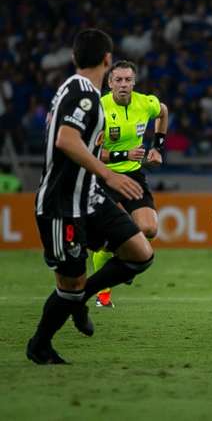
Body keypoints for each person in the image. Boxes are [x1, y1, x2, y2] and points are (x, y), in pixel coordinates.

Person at [28, 29, 155, 364]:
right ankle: (40, 344)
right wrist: (110, 173)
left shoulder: (76, 91)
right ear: (107, 60)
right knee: (68, 285)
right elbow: (66, 141)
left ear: (73, 58)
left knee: (140, 253)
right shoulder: (83, 94)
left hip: (90, 198)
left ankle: (81, 298)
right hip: (62, 204)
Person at [91, 60, 168, 307]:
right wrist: (124, 155)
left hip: (134, 176)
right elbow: (90, 151)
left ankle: (121, 265)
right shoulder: (100, 109)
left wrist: (157, 147)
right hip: (104, 177)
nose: (123, 84)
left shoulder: (144, 103)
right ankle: (103, 292)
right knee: (123, 233)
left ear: (134, 82)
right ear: (109, 83)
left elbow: (163, 111)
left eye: (128, 80)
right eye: (118, 80)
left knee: (149, 230)